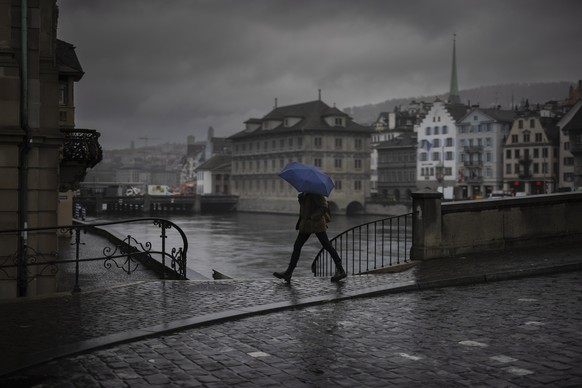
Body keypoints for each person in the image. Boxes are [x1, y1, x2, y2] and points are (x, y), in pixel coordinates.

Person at [274, 192, 347, 283]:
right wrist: (301, 198)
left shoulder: (316, 193)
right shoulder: (305, 194)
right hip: (306, 225)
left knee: (327, 245)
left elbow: (324, 206)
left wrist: (313, 217)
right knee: (297, 246)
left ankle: (340, 270)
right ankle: (289, 272)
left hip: (316, 224)